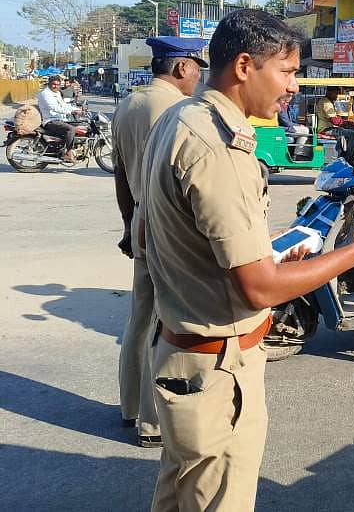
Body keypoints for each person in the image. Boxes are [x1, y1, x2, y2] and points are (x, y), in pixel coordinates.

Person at [141, 9, 354, 511]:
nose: (293, 87)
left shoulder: (180, 119)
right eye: (287, 72)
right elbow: (261, 289)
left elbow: (156, 235)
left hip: (184, 349)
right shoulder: (218, 147)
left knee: (181, 496)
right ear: (245, 66)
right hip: (217, 365)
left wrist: (260, 251)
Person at [112, 36, 207, 448]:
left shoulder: (128, 104)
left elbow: (120, 175)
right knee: (164, 323)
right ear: (182, 67)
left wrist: (128, 225)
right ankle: (152, 422)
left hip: (138, 217)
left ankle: (130, 406)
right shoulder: (175, 109)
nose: (199, 76)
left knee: (139, 317)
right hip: (164, 224)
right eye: (197, 67)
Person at [36, 74, 81, 163]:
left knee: (79, 124)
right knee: (71, 129)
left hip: (59, 118)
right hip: (50, 120)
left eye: (58, 84)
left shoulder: (56, 92)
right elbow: (55, 108)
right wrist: (71, 112)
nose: (56, 86)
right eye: (54, 84)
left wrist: (76, 109)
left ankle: (66, 147)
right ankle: (68, 153)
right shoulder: (45, 94)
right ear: (49, 83)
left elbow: (63, 105)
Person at [316, 86, 354, 163]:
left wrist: (347, 122)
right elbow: (334, 121)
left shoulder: (328, 102)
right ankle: (350, 159)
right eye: (335, 93)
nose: (336, 96)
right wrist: (348, 123)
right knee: (353, 134)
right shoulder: (326, 103)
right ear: (329, 92)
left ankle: (344, 155)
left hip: (330, 128)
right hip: (326, 129)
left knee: (348, 132)